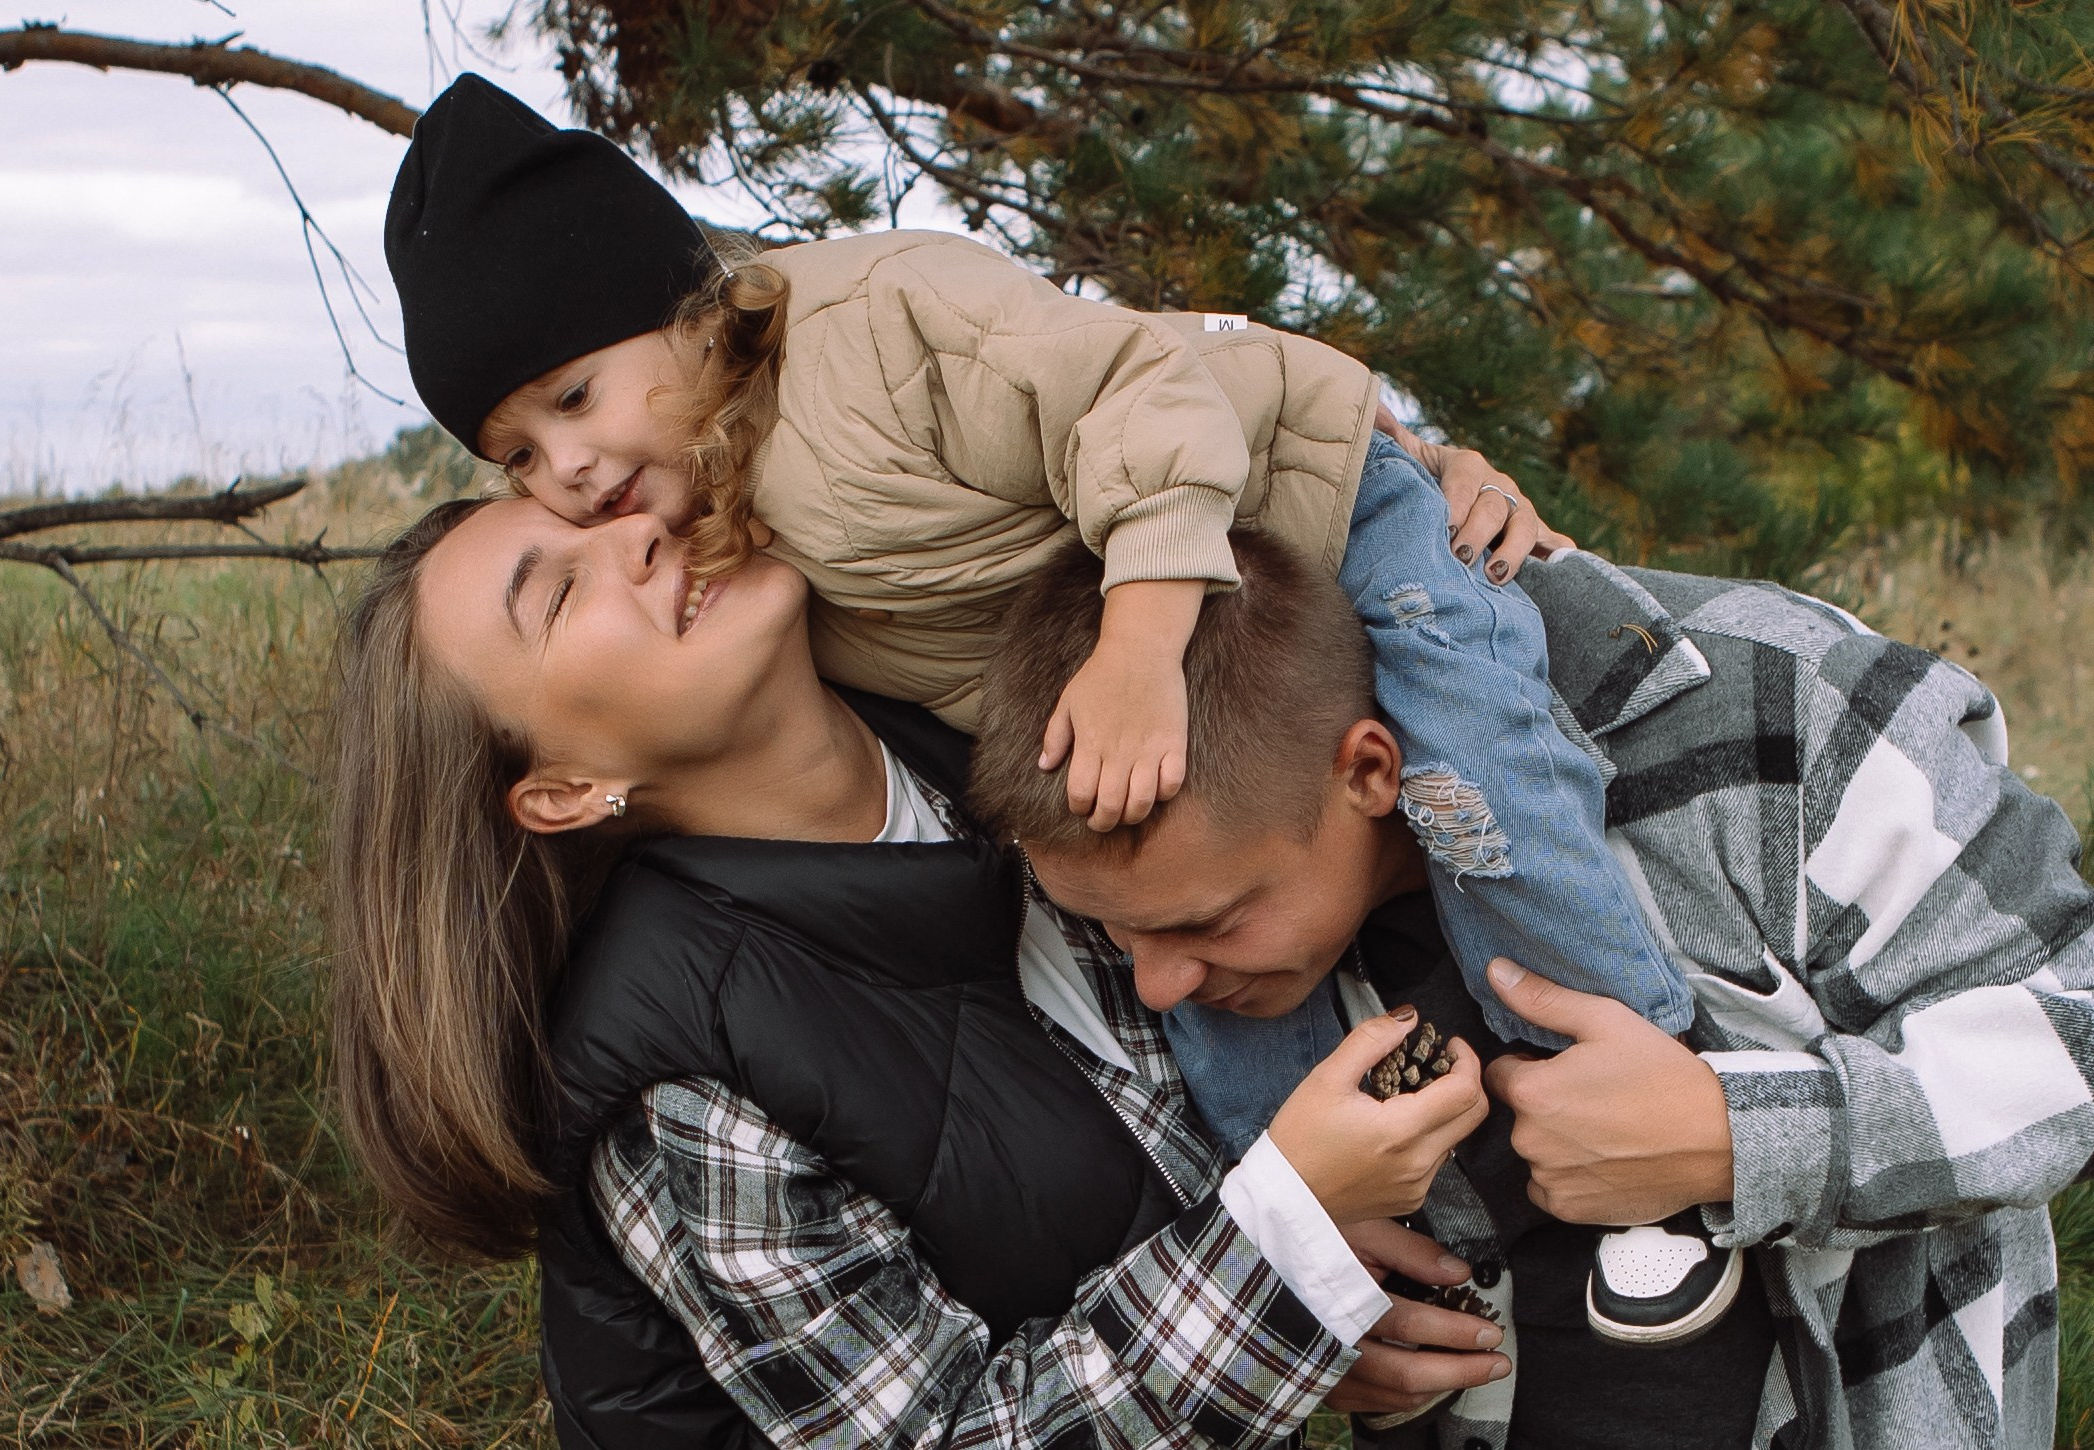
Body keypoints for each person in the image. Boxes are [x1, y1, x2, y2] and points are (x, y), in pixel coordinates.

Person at [383, 73, 1726, 1331]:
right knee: (1208, 995)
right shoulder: (691, 1039)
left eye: (571, 398)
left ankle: (1627, 1079)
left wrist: (1379, 479)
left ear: (687, 312)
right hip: (1184, 598)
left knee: (1474, 772)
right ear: (559, 786)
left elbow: (1147, 384)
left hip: (1278, 521)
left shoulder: (866, 340)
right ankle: (1388, 1227)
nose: (573, 478)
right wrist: (1286, 1276)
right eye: (515, 457)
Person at [323, 495, 1506, 1450]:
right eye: (561, 589)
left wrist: (1426, 486)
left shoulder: (981, 718)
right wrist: (1279, 1258)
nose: (637, 527)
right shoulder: (679, 1078)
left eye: (599, 510)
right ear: (566, 792)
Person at [970, 530, 2094, 1448]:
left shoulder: (1776, 705)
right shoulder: (1119, 907)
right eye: (1118, 937)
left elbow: (2070, 1029)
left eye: (1206, 923)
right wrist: (1302, 1324)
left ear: (1371, 769)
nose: (1157, 987)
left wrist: (1734, 1137)